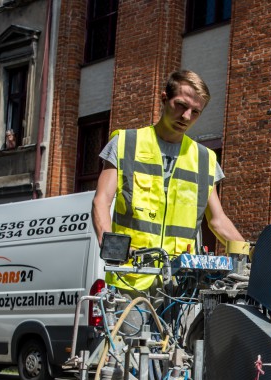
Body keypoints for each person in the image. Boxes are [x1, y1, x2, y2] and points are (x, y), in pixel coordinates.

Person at [92, 70, 245, 291]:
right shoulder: (126, 143)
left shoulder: (205, 159)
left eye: (195, 112)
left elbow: (217, 221)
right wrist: (111, 246)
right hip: (131, 276)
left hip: (181, 282)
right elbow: (101, 201)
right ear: (164, 99)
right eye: (181, 105)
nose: (186, 117)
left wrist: (250, 255)